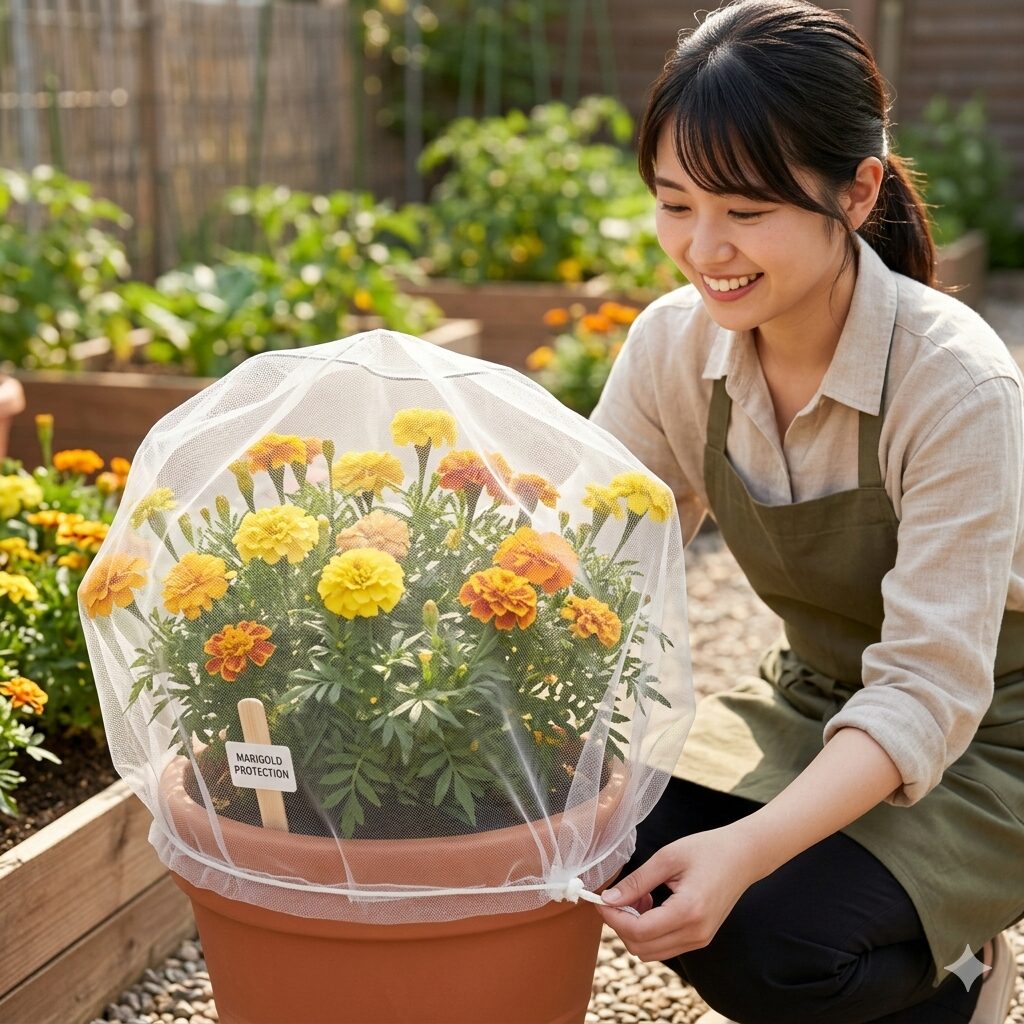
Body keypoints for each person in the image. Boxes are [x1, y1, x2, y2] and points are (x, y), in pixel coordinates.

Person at [587, 2, 1024, 1022]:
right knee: (595, 842)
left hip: (989, 735)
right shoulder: (670, 349)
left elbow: (927, 687)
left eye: (745, 211)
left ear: (857, 189)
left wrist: (743, 851)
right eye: (674, 204)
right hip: (813, 700)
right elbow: (583, 551)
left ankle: (956, 981)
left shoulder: (952, 381)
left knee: (779, 942)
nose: (704, 249)